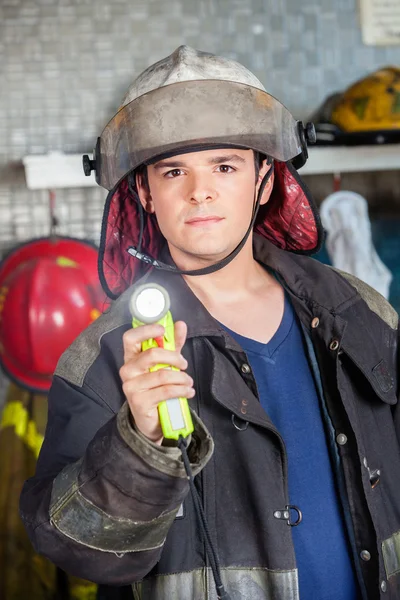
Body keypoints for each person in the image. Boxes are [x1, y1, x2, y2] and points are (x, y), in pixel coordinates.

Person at [20, 46, 400, 600]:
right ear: (145, 192)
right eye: (175, 170)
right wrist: (139, 444)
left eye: (225, 165)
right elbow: (75, 548)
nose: (200, 191)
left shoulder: (358, 309)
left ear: (264, 180)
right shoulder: (103, 356)